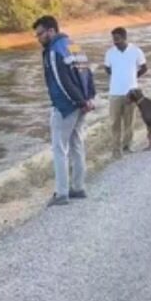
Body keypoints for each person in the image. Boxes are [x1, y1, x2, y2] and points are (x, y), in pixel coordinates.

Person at [33, 15, 96, 207]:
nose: (38, 39)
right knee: (77, 145)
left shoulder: (53, 51)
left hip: (66, 106)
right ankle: (78, 187)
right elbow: (87, 72)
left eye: (40, 34)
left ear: (51, 31)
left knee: (60, 149)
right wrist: (89, 98)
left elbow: (62, 82)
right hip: (82, 104)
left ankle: (61, 193)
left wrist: (78, 101)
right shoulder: (74, 45)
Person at [104, 27, 147, 158]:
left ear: (124, 38)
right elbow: (107, 69)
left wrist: (133, 77)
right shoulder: (110, 53)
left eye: (117, 39)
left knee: (129, 121)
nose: (115, 42)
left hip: (131, 93)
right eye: (113, 39)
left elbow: (144, 68)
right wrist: (118, 77)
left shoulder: (136, 51)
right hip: (115, 93)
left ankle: (127, 145)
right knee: (114, 123)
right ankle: (116, 150)